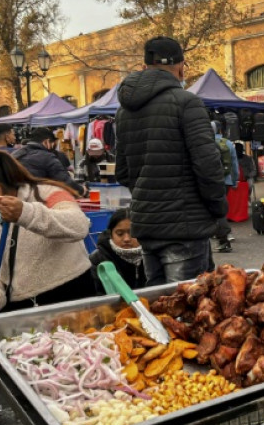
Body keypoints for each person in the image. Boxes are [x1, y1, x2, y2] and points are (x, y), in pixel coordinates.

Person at [115, 36, 228, 286]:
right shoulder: (187, 103)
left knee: (160, 307)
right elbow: (208, 167)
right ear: (181, 67)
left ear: (144, 67)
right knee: (186, 311)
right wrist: (218, 210)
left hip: (147, 226)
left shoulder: (124, 111)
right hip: (184, 228)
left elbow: (122, 171)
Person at [0, 151, 96, 314]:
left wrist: (26, 214)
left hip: (70, 299)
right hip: (19, 310)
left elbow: (78, 226)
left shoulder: (45, 193)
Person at [13, 127, 85, 195]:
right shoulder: (47, 156)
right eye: (52, 143)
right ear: (46, 142)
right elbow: (64, 181)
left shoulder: (15, 154)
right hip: (37, 198)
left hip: (14, 198)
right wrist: (82, 190)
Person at [89, 208, 146, 290]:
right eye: (120, 234)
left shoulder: (152, 257)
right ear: (111, 234)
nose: (126, 239)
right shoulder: (98, 259)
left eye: (133, 233)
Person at [212, 124, 239, 253]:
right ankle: (223, 233)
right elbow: (234, 164)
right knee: (220, 206)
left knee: (214, 209)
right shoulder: (228, 143)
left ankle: (224, 235)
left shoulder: (205, 143)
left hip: (212, 181)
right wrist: (234, 181)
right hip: (226, 180)